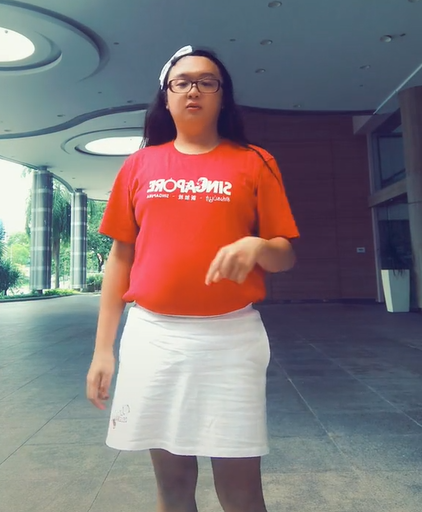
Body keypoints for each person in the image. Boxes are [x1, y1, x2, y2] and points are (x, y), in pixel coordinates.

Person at [86, 45, 299, 512]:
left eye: (207, 81)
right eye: (181, 82)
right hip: (153, 338)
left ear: (223, 97)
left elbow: (284, 255)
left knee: (241, 491)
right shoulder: (139, 165)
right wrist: (104, 350)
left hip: (231, 339)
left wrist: (258, 246)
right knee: (173, 484)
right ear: (166, 98)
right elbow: (119, 259)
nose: (193, 90)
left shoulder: (255, 161)